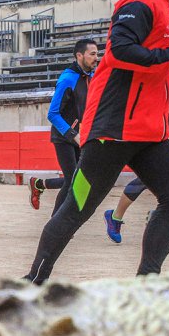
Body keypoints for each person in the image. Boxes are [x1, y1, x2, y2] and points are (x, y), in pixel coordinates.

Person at [21, 0, 169, 284]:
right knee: (76, 211)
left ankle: (146, 284)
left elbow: (144, 64)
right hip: (112, 131)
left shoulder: (162, 5)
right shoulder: (140, 0)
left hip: (149, 131)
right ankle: (33, 282)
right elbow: (119, 52)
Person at [29, 39, 98, 212]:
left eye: (97, 54)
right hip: (64, 137)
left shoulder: (92, 78)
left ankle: (39, 184)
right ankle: (56, 223)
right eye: (93, 54)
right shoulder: (67, 79)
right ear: (79, 55)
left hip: (80, 137)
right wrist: (73, 134)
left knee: (79, 179)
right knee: (72, 180)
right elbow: (52, 114)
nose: (96, 58)